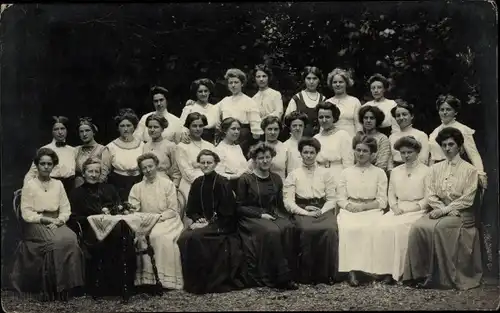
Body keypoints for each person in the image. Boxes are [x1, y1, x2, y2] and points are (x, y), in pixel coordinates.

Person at [403, 127, 482, 290]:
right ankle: (419, 274)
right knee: (418, 227)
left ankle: (441, 278)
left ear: (459, 146)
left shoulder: (470, 170)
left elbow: (467, 199)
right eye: (444, 145)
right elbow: (430, 193)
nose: (447, 148)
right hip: (442, 210)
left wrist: (446, 210)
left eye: (451, 144)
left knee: (440, 228)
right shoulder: (435, 169)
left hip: (462, 213)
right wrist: (441, 208)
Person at [11, 148, 84, 301]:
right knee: (56, 242)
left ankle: (69, 288)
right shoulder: (29, 185)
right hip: (35, 224)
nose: (45, 167)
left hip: (55, 222)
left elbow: (65, 208)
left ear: (53, 166)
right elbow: (26, 213)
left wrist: (59, 220)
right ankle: (54, 289)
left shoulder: (58, 184)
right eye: (42, 163)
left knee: (71, 238)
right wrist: (44, 220)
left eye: (49, 164)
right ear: (37, 165)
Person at [178, 150, 244, 294]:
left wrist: (209, 223)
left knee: (196, 238)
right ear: (199, 164)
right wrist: (198, 219)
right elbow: (191, 209)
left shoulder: (223, 182)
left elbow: (228, 211)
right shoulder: (197, 182)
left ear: (215, 164)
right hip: (203, 223)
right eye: (203, 163)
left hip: (222, 224)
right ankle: (192, 282)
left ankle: (204, 284)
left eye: (209, 163)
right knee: (183, 238)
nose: (206, 165)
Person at [68, 158, 136, 296]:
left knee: (123, 236)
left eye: (96, 171)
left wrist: (113, 213)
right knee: (108, 238)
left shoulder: (109, 189)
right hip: (90, 230)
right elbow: (73, 217)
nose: (93, 175)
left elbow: (118, 207)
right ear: (84, 173)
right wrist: (93, 219)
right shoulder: (76, 193)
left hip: (113, 228)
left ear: (100, 174)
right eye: (90, 171)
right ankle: (100, 286)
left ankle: (123, 284)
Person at [236, 142, 298, 290]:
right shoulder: (246, 179)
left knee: (289, 226)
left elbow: (279, 204)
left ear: (272, 158)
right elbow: (239, 206)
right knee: (272, 231)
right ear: (254, 160)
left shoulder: (276, 178)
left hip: (271, 214)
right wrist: (260, 214)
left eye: (268, 157)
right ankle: (280, 278)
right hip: (250, 217)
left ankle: (291, 273)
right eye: (261, 158)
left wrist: (289, 215)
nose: (265, 161)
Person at [368, 136, 430, 284]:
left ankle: (401, 272)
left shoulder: (427, 171)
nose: (406, 156)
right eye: (403, 153)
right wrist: (394, 206)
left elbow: (428, 197)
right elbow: (391, 193)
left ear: (417, 152)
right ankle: (384, 271)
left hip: (417, 209)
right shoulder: (395, 171)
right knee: (380, 225)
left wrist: (416, 207)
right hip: (399, 208)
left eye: (409, 152)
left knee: (399, 228)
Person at [283, 137, 338, 285]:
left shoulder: (326, 173)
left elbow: (332, 198)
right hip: (302, 209)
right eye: (305, 152)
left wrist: (322, 211)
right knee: (305, 229)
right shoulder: (293, 174)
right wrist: (305, 211)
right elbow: (288, 201)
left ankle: (326, 275)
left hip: (322, 209)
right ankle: (305, 275)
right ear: (300, 153)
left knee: (330, 230)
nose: (308, 155)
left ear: (317, 153)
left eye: (312, 152)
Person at [336, 134, 388, 287]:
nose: (360, 154)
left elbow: (382, 201)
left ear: (372, 153)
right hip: (350, 209)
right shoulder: (346, 172)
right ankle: (351, 270)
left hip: (371, 209)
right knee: (349, 228)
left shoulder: (379, 173)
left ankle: (370, 269)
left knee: (373, 228)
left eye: (365, 151)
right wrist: (349, 206)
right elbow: (340, 198)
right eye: (358, 150)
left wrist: (364, 207)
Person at [129, 153, 184, 290]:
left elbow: (173, 209)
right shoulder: (137, 187)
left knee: (158, 236)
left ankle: (165, 279)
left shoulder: (168, 184)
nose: (148, 170)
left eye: (150, 166)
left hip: (168, 219)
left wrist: (158, 218)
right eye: (144, 168)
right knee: (141, 237)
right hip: (146, 221)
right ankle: (146, 279)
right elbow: (133, 209)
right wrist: (142, 217)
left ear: (156, 166)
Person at [428, 95, 487, 189]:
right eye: (442, 109)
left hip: (455, 171)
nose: (445, 112)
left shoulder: (462, 129)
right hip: (435, 171)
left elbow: (473, 154)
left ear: (455, 112)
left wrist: (480, 173)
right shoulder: (435, 132)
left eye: (448, 109)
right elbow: (433, 156)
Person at [216, 68, 263, 157]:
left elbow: (256, 130)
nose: (233, 85)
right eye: (230, 83)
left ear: (242, 83)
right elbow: (210, 111)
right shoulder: (225, 101)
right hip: (225, 137)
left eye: (236, 82)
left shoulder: (249, 102)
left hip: (243, 139)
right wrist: (192, 104)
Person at [24, 116, 76, 194]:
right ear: (52, 131)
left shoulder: (73, 150)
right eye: (56, 129)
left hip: (71, 189)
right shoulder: (44, 149)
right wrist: (26, 190)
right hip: (51, 187)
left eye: (62, 128)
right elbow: (32, 173)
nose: (60, 132)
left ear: (67, 130)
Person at [176, 112, 216, 205]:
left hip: (210, 185)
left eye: (201, 126)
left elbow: (216, 166)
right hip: (190, 186)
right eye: (194, 126)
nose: (198, 129)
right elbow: (186, 172)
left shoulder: (209, 146)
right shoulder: (182, 147)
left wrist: (197, 165)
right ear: (188, 127)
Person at [106, 109, 144, 201]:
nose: (126, 129)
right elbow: (106, 169)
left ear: (134, 127)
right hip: (118, 183)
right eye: (122, 126)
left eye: (128, 125)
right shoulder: (111, 147)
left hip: (138, 181)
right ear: (118, 128)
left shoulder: (142, 145)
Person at [314, 102, 354, 184]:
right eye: (321, 117)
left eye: (327, 117)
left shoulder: (343, 135)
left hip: (338, 176)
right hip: (319, 177)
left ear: (334, 118)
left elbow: (348, 163)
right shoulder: (316, 138)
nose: (324, 120)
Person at [284, 66, 326, 137]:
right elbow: (287, 121)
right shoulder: (297, 98)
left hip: (319, 139)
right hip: (299, 139)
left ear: (319, 80)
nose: (311, 82)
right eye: (308, 78)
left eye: (314, 78)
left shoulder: (323, 99)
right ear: (304, 80)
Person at [388, 100, 429, 170]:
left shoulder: (421, 135)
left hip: (416, 170)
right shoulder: (392, 137)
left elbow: (423, 159)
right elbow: (390, 160)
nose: (401, 118)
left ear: (412, 116)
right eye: (398, 115)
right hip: (396, 172)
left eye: (404, 114)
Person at [142, 114, 181, 187]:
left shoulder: (170, 146)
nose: (152, 130)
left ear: (162, 129)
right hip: (146, 183)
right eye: (150, 127)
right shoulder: (145, 146)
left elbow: (176, 171)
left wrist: (175, 186)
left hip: (164, 184)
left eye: (156, 127)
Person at [74, 117, 111, 188]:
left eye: (87, 130)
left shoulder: (102, 149)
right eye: (81, 131)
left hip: (97, 187)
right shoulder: (76, 150)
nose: (84, 134)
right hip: (79, 186)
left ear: (93, 132)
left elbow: (104, 173)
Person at [325, 68, 363, 137]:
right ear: (331, 84)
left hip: (351, 139)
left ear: (346, 83)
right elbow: (323, 125)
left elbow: (359, 125)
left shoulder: (354, 101)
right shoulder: (328, 102)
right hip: (332, 138)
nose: (338, 84)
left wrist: (358, 140)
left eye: (341, 82)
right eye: (335, 82)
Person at [214, 118, 250, 190]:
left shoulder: (237, 147)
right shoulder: (219, 149)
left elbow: (243, 166)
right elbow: (218, 173)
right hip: (228, 186)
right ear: (225, 130)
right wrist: (236, 176)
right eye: (233, 129)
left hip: (242, 184)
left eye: (238, 129)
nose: (237, 132)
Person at [248, 116, 288, 181]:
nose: (273, 132)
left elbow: (289, 172)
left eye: (276, 129)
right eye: (269, 129)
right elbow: (248, 169)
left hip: (281, 186)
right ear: (264, 130)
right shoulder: (259, 147)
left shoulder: (285, 148)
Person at [180, 78, 219, 143]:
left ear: (209, 92)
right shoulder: (190, 108)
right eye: (200, 91)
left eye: (206, 91)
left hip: (212, 142)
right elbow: (182, 126)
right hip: (193, 141)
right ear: (196, 93)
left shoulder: (215, 108)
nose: (203, 94)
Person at [357, 105, 391, 171]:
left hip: (375, 175)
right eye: (366, 118)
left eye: (372, 118)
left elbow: (382, 164)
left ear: (377, 120)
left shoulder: (383, 138)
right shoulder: (359, 137)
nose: (368, 120)